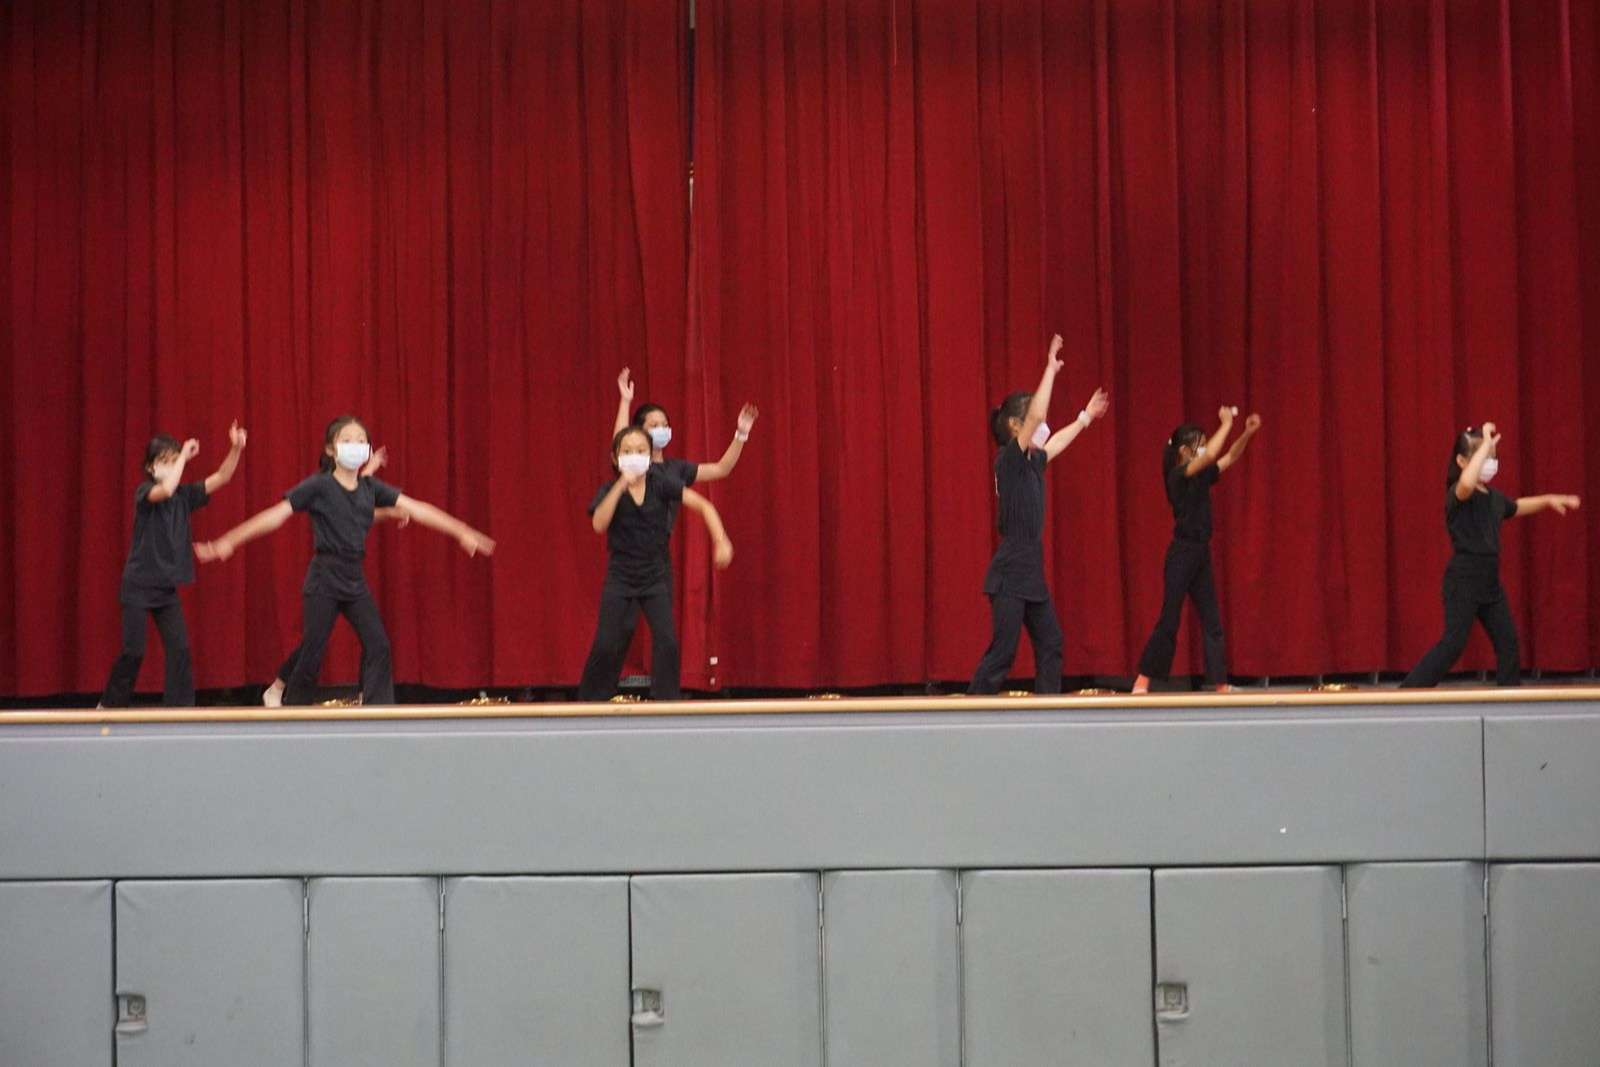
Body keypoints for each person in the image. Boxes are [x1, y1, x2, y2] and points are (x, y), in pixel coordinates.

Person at [196, 415, 494, 705]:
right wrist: (229, 541)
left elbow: (418, 509)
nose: (355, 445)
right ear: (331, 449)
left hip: (354, 580)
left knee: (378, 645)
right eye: (347, 440)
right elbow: (275, 515)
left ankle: (377, 711)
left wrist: (461, 531)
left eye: (361, 441)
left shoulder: (369, 488)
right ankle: (294, 710)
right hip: (324, 578)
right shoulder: (319, 486)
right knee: (313, 651)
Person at [968, 334, 1110, 695]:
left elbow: (1056, 440)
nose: (1042, 425)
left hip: (1030, 571)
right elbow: (1037, 416)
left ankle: (1049, 711)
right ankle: (970, 711)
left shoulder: (1033, 461)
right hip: (1010, 572)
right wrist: (1050, 368)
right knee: (1003, 654)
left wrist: (1085, 417)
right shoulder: (1010, 461)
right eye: (1032, 419)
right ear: (1016, 427)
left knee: (1051, 643)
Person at [1401, 422, 1580, 688]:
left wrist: (1548, 499)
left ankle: (1510, 700)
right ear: (1462, 461)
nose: (1489, 460)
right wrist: (1485, 443)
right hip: (1464, 579)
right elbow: (1467, 482)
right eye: (1482, 455)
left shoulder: (1494, 497)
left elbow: (1516, 506)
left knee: (1508, 642)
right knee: (1453, 644)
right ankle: (1408, 692)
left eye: (1491, 455)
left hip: (1489, 583)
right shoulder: (1459, 493)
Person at [579, 425, 734, 701]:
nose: (634, 455)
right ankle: (589, 702)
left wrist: (720, 540)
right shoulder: (609, 490)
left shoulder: (661, 483)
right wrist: (621, 485)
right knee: (606, 643)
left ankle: (666, 702)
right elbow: (599, 524)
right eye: (627, 451)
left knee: (667, 641)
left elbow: (704, 505)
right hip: (620, 577)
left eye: (641, 450)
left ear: (650, 457)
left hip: (655, 576)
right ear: (615, 458)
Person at [101, 422, 247, 707]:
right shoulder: (145, 492)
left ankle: (179, 710)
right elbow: (165, 490)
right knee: (133, 651)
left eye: (173, 460)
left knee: (179, 649)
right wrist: (182, 457)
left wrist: (235, 448)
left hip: (165, 590)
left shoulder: (185, 496)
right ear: (150, 467)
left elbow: (223, 476)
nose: (171, 466)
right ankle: (109, 705)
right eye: (164, 461)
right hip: (138, 586)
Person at [1132, 407, 1261, 694]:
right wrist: (1225, 424)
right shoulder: (1178, 475)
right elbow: (1212, 454)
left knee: (1212, 619)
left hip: (1200, 553)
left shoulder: (1200, 475)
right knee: (1169, 619)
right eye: (1199, 445)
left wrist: (1246, 433)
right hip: (1182, 553)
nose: (1204, 448)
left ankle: (1220, 683)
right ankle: (1143, 679)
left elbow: (1229, 457)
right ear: (1184, 451)